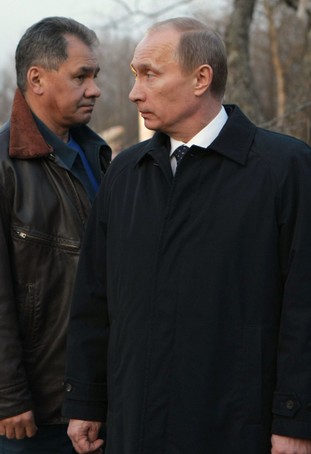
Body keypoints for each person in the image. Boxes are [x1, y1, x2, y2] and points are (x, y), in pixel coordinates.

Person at [63, 17, 311, 454]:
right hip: (134, 425)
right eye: (134, 76)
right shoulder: (126, 173)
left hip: (238, 429)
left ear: (201, 78)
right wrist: (86, 399)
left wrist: (295, 419)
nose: (134, 92)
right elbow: (94, 299)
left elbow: (304, 308)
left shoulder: (284, 170)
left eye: (150, 74)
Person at [0, 16, 111, 453]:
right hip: (37, 415)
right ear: (36, 79)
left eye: (95, 76)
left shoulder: (99, 157)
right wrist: (7, 397)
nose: (94, 89)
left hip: (99, 400)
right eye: (81, 76)